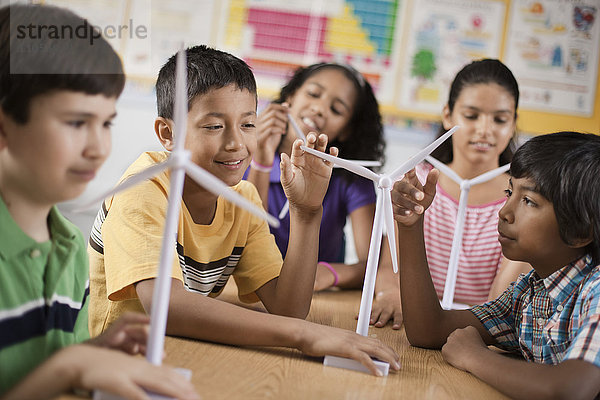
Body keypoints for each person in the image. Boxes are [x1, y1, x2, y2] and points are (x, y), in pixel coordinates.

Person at [88, 45, 400, 376]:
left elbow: (288, 307)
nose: (236, 143)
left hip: (184, 357)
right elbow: (166, 306)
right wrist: (305, 335)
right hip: (116, 366)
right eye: (213, 126)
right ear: (168, 133)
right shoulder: (144, 187)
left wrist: (307, 212)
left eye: (248, 124)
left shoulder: (244, 198)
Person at [0, 4, 198, 400]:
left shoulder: (71, 249)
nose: (99, 148)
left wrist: (90, 353)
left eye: (106, 123)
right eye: (76, 123)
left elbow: (39, 372)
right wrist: (72, 365)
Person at [393, 131, 600, 399]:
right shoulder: (529, 294)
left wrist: (476, 357)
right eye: (509, 192)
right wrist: (411, 225)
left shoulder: (594, 293)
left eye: (528, 201)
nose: (504, 212)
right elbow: (429, 330)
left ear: (580, 231)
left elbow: (571, 389)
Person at [374, 59, 531, 327]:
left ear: (513, 122)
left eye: (500, 119)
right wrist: (390, 293)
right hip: (408, 326)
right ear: (448, 115)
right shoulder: (415, 182)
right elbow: (390, 268)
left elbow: (500, 305)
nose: (485, 129)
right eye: (471, 116)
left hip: (475, 337)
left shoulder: (524, 200)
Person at [246, 63, 400, 327]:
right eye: (313, 94)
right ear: (290, 97)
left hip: (318, 304)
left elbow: (373, 261)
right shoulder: (240, 155)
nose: (319, 109)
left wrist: (329, 273)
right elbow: (242, 238)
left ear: (347, 130)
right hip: (250, 294)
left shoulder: (350, 179)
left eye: (336, 109)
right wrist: (260, 161)